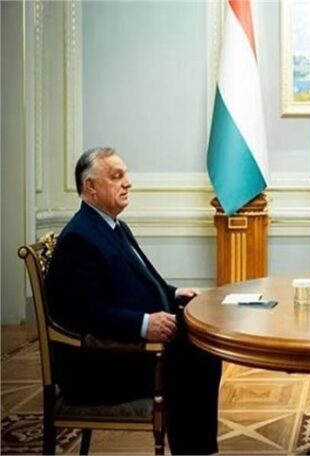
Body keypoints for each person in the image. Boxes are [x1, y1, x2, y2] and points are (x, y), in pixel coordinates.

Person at [46, 147, 222, 454]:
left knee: (202, 348)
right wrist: (144, 325)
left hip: (121, 349)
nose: (127, 183)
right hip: (97, 367)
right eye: (117, 176)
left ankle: (198, 451)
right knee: (195, 358)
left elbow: (140, 282)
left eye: (125, 175)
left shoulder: (113, 225)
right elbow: (88, 313)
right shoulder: (79, 237)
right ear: (91, 187)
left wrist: (174, 293)